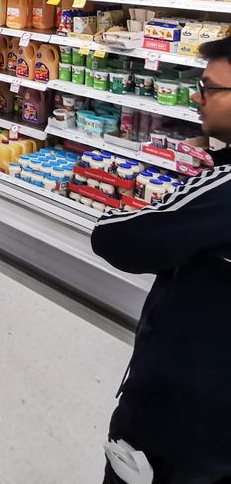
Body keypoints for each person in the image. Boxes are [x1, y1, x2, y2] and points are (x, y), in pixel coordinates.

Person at [92, 35, 231, 484]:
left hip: (186, 418)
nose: (197, 96)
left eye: (209, 88)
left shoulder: (223, 191)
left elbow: (119, 239)